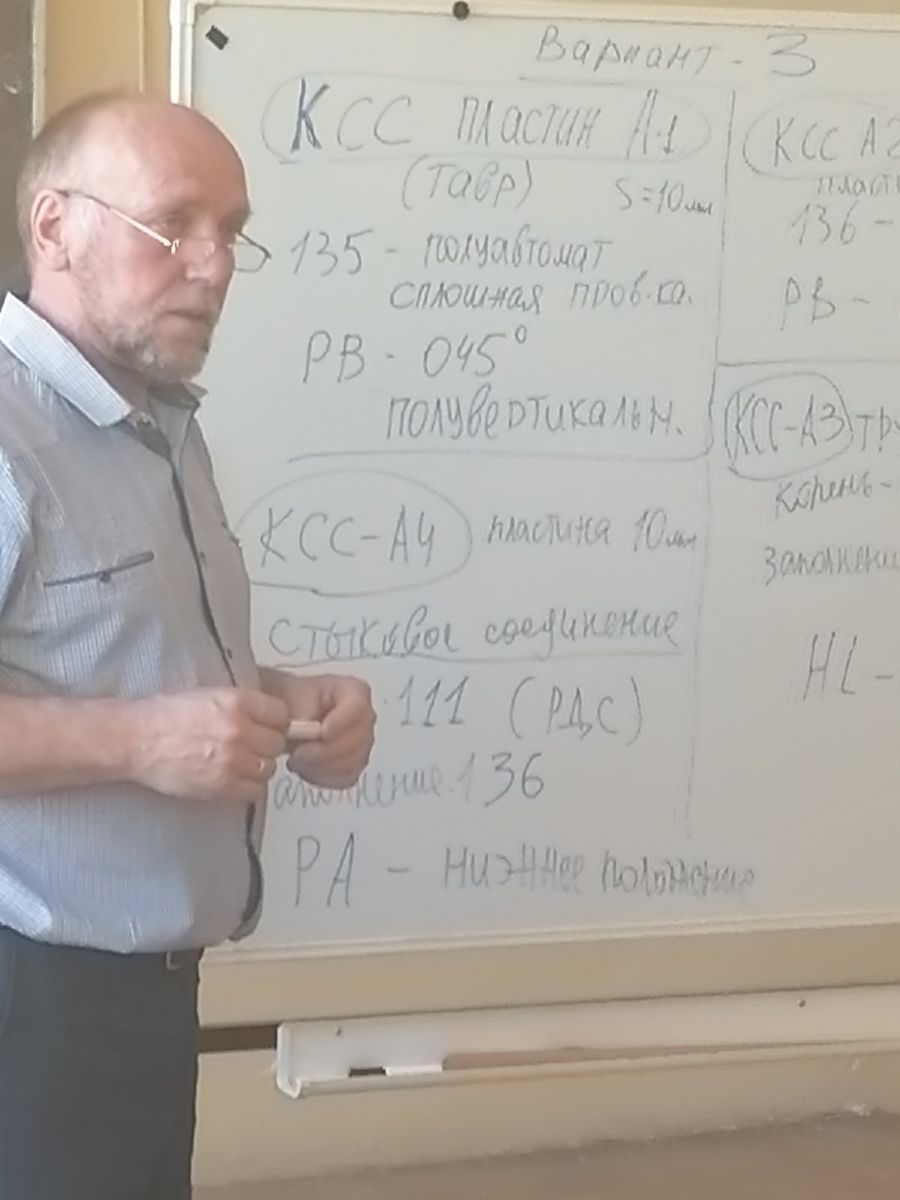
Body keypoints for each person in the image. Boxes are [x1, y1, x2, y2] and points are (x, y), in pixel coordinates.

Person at [0, 89, 376, 1199]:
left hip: (145, 995)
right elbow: (141, 723)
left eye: (231, 231)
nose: (213, 267)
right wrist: (142, 743)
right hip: (34, 997)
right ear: (55, 227)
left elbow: (116, 658)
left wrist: (285, 701)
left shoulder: (160, 426)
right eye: (172, 225)